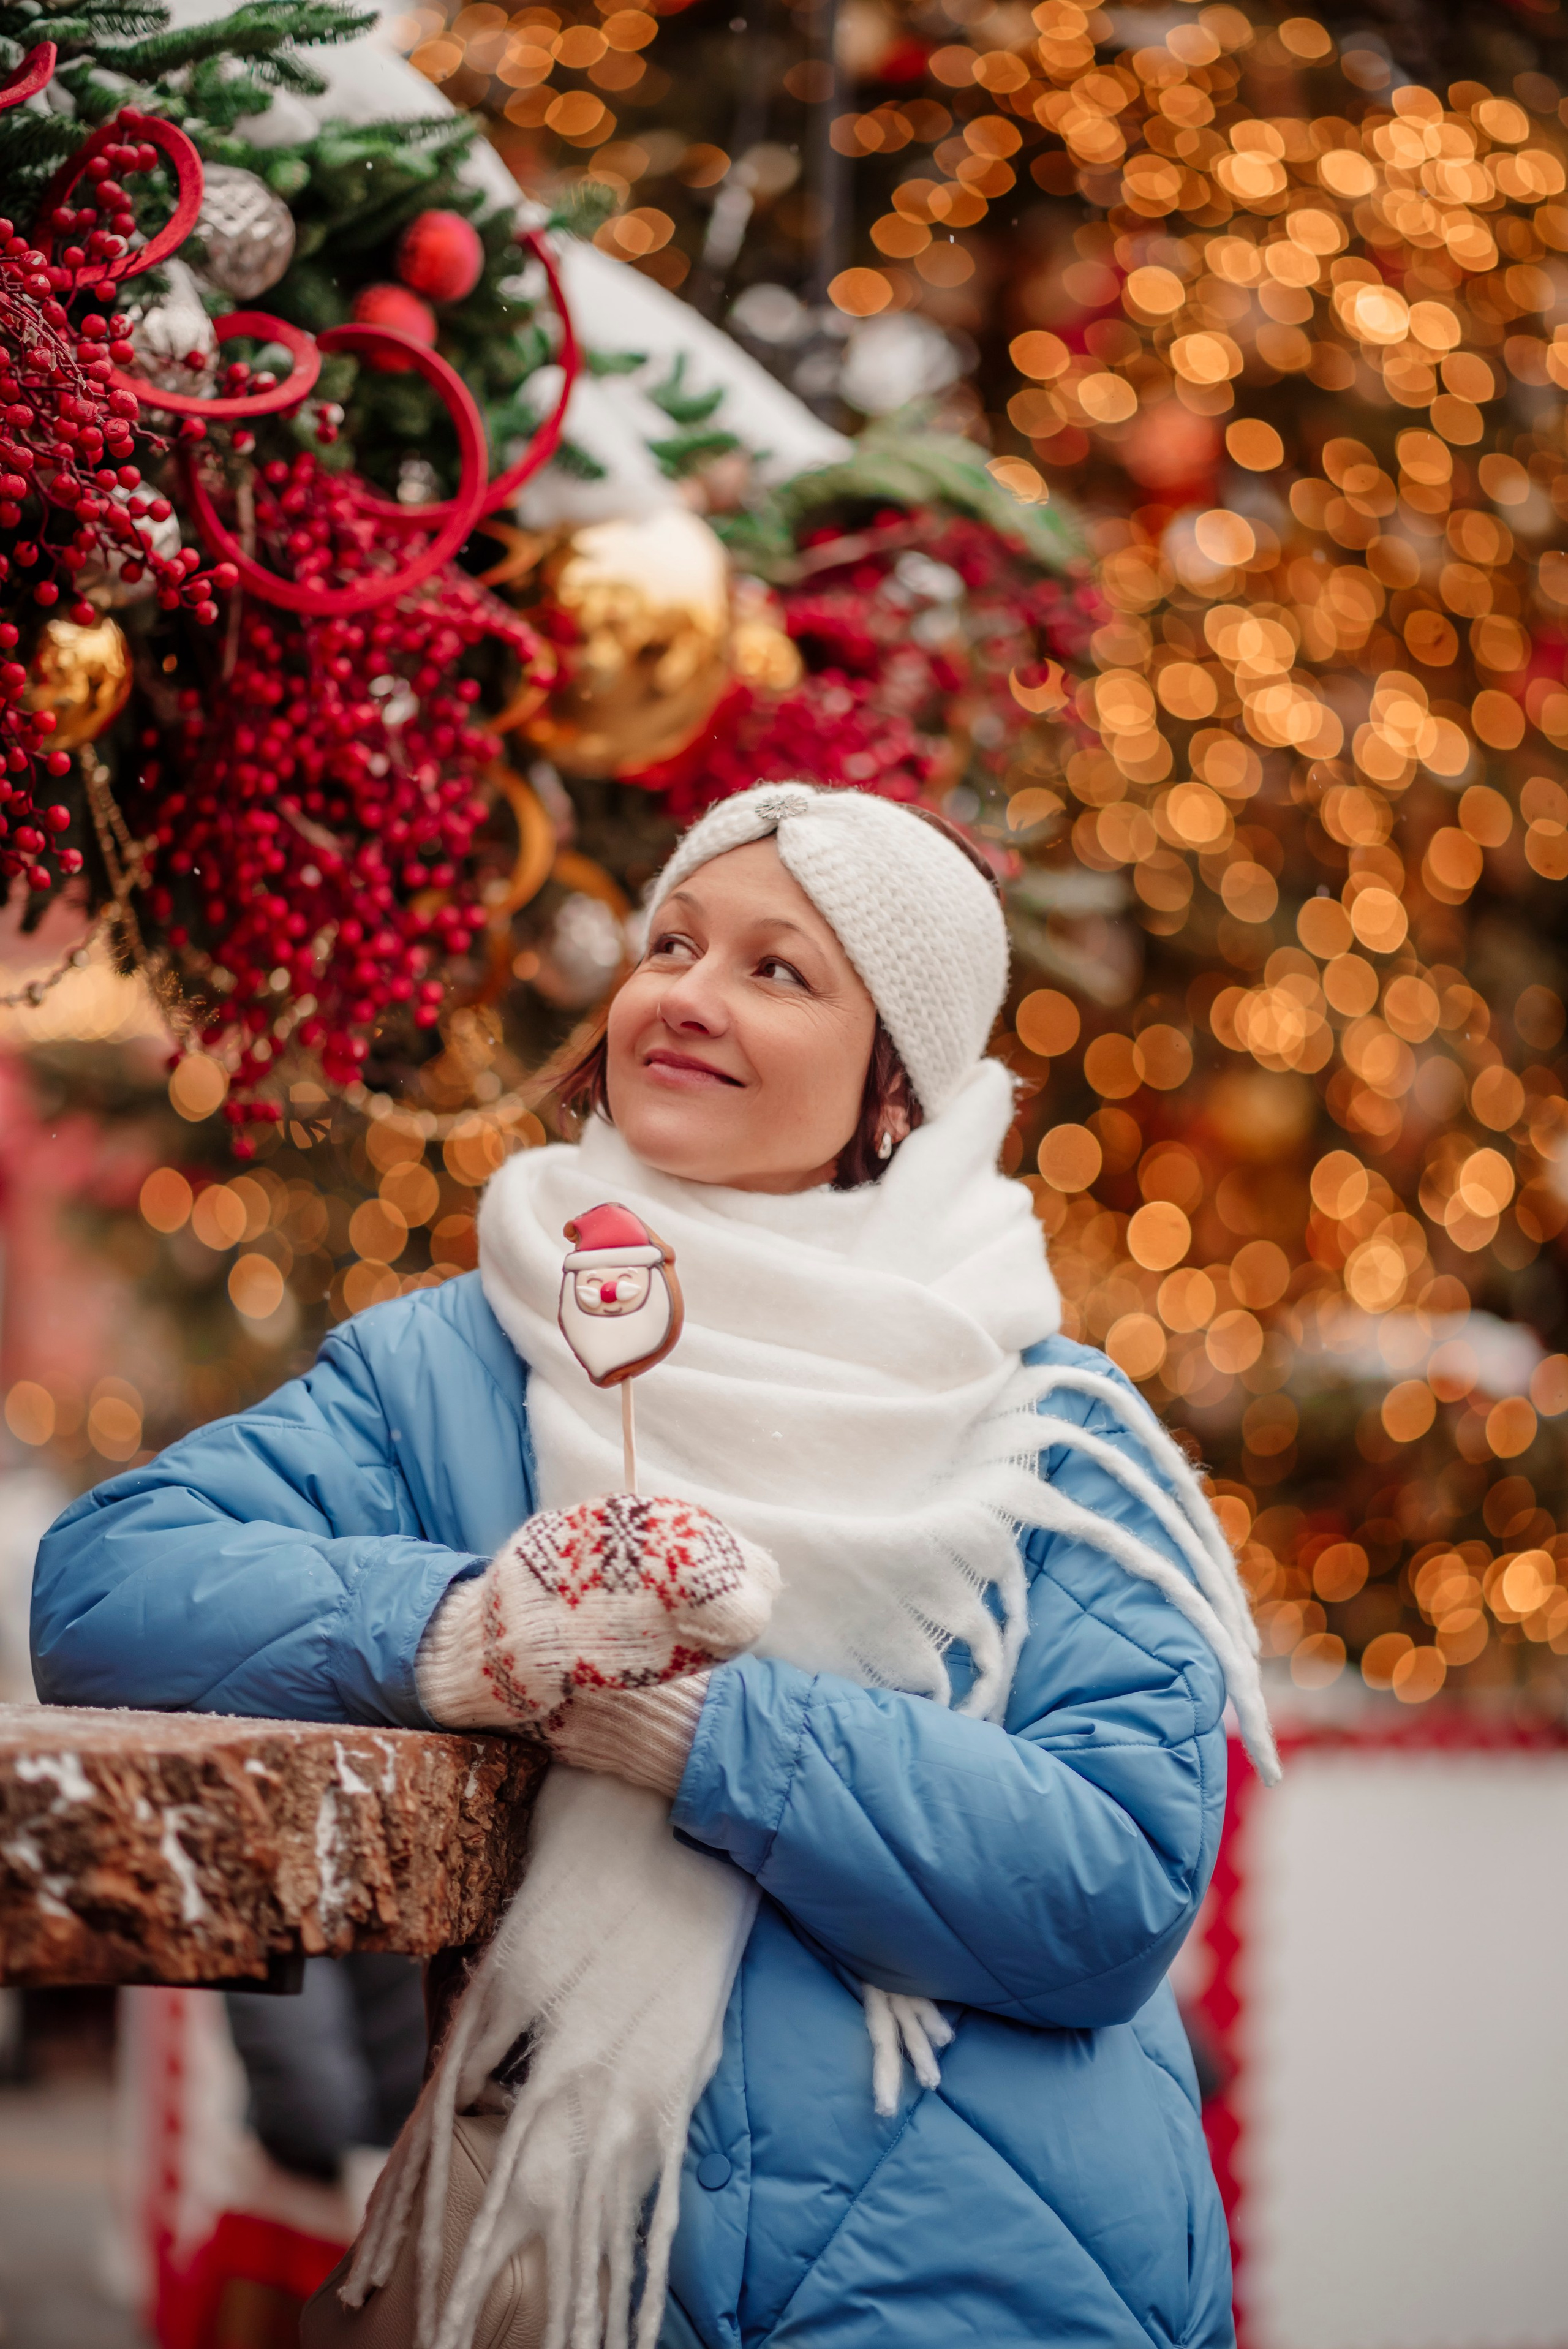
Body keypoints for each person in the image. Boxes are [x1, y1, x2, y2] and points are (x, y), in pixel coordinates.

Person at [33, 782, 1277, 2349]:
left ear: (895, 1081)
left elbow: (1112, 1885)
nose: (684, 994)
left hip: (990, 2278)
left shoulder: (1043, 1434)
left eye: (778, 969)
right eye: (671, 943)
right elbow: (107, 1589)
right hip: (575, 2282)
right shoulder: (469, 1362)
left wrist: (704, 1729)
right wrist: (468, 1633)